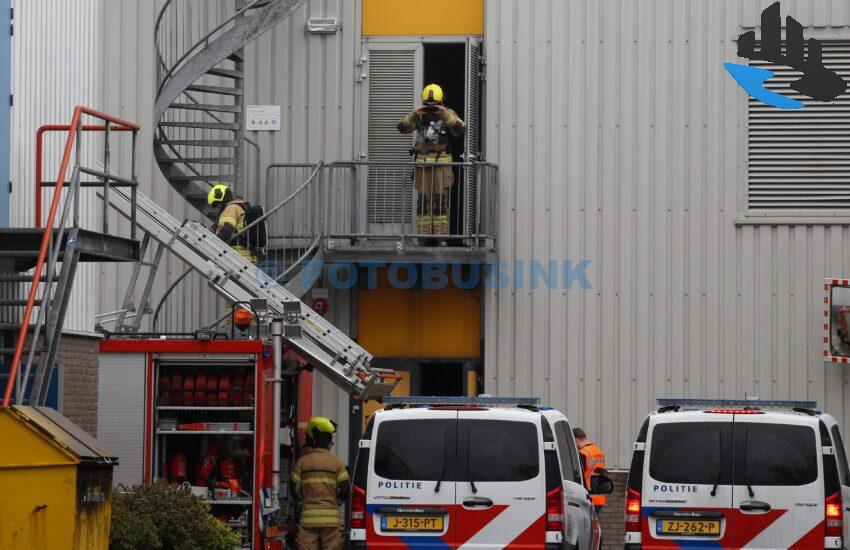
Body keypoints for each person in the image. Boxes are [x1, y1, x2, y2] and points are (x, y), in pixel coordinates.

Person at [397, 83, 466, 244]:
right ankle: (423, 237)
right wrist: (414, 115)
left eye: (434, 106)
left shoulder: (448, 114)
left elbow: (461, 131)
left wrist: (445, 115)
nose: (430, 109)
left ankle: (442, 237)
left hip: (441, 167)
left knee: (440, 202)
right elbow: (401, 128)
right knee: (422, 203)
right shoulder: (420, 116)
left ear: (440, 102)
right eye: (428, 105)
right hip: (422, 167)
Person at [292, 417, 350, 550]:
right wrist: (335, 503)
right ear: (329, 445)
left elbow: (294, 488)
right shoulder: (338, 463)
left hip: (308, 518)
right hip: (331, 519)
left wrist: (303, 503)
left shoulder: (302, 462)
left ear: (314, 442)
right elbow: (345, 489)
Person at [207, 184, 257, 264]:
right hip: (248, 255)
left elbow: (225, 231)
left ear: (222, 198)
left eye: (217, 203)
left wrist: (213, 245)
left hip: (239, 257)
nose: (218, 207)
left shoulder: (230, 208)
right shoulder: (241, 206)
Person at [573, 427, 606, 516]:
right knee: (594, 523)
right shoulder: (598, 450)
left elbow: (578, 474)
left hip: (588, 497)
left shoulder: (583, 453)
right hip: (600, 497)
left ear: (576, 439)